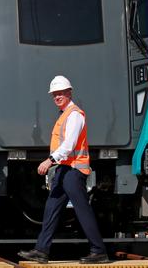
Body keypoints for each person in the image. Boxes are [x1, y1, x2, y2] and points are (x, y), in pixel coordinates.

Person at [18, 75, 108, 264]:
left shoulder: (74, 115)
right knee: (51, 209)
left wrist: (49, 161)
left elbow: (69, 145)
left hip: (74, 171)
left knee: (82, 210)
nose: (57, 97)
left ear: (69, 93)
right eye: (54, 94)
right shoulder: (64, 115)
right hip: (64, 170)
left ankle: (99, 251)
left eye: (60, 93)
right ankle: (41, 250)